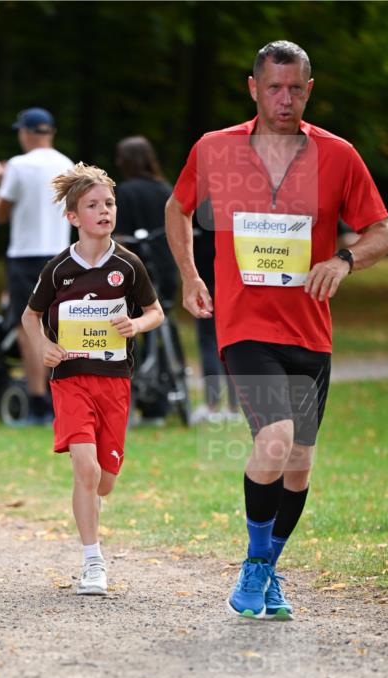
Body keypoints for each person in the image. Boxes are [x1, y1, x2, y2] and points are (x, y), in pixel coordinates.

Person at [166, 40, 388, 620]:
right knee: (274, 438)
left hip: (311, 331)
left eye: (295, 89)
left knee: (300, 462)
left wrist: (343, 261)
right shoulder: (215, 149)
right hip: (244, 325)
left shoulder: (338, 156)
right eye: (274, 88)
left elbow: (381, 230)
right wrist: (191, 275)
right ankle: (256, 566)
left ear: (309, 90)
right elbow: (178, 208)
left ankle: (267, 567)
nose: (284, 99)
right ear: (253, 88)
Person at [22, 163, 164, 595]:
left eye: (109, 203)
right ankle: (93, 562)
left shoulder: (129, 264)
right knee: (85, 469)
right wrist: (44, 345)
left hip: (115, 382)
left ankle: (92, 506)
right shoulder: (58, 268)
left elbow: (155, 312)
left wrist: (136, 326)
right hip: (71, 379)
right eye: (93, 205)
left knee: (104, 479)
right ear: (73, 217)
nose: (104, 211)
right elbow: (30, 317)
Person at [0, 107, 73, 424]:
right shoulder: (67, 165)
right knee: (60, 325)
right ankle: (63, 397)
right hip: (62, 254)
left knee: (28, 326)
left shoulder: (18, 166)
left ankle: (38, 401)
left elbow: (0, 212)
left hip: (26, 255)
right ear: (51, 132)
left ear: (25, 133)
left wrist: (1, 182)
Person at [190, 200, 239, 424]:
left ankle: (212, 403)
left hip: (205, 282)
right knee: (231, 343)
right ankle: (234, 406)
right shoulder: (238, 203)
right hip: (232, 284)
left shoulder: (199, 206)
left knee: (209, 342)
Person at [114, 135, 177, 305]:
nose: (118, 162)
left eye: (121, 157)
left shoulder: (126, 191)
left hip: (138, 262)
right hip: (166, 261)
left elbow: (120, 234)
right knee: (165, 310)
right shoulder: (165, 188)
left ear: (128, 161)